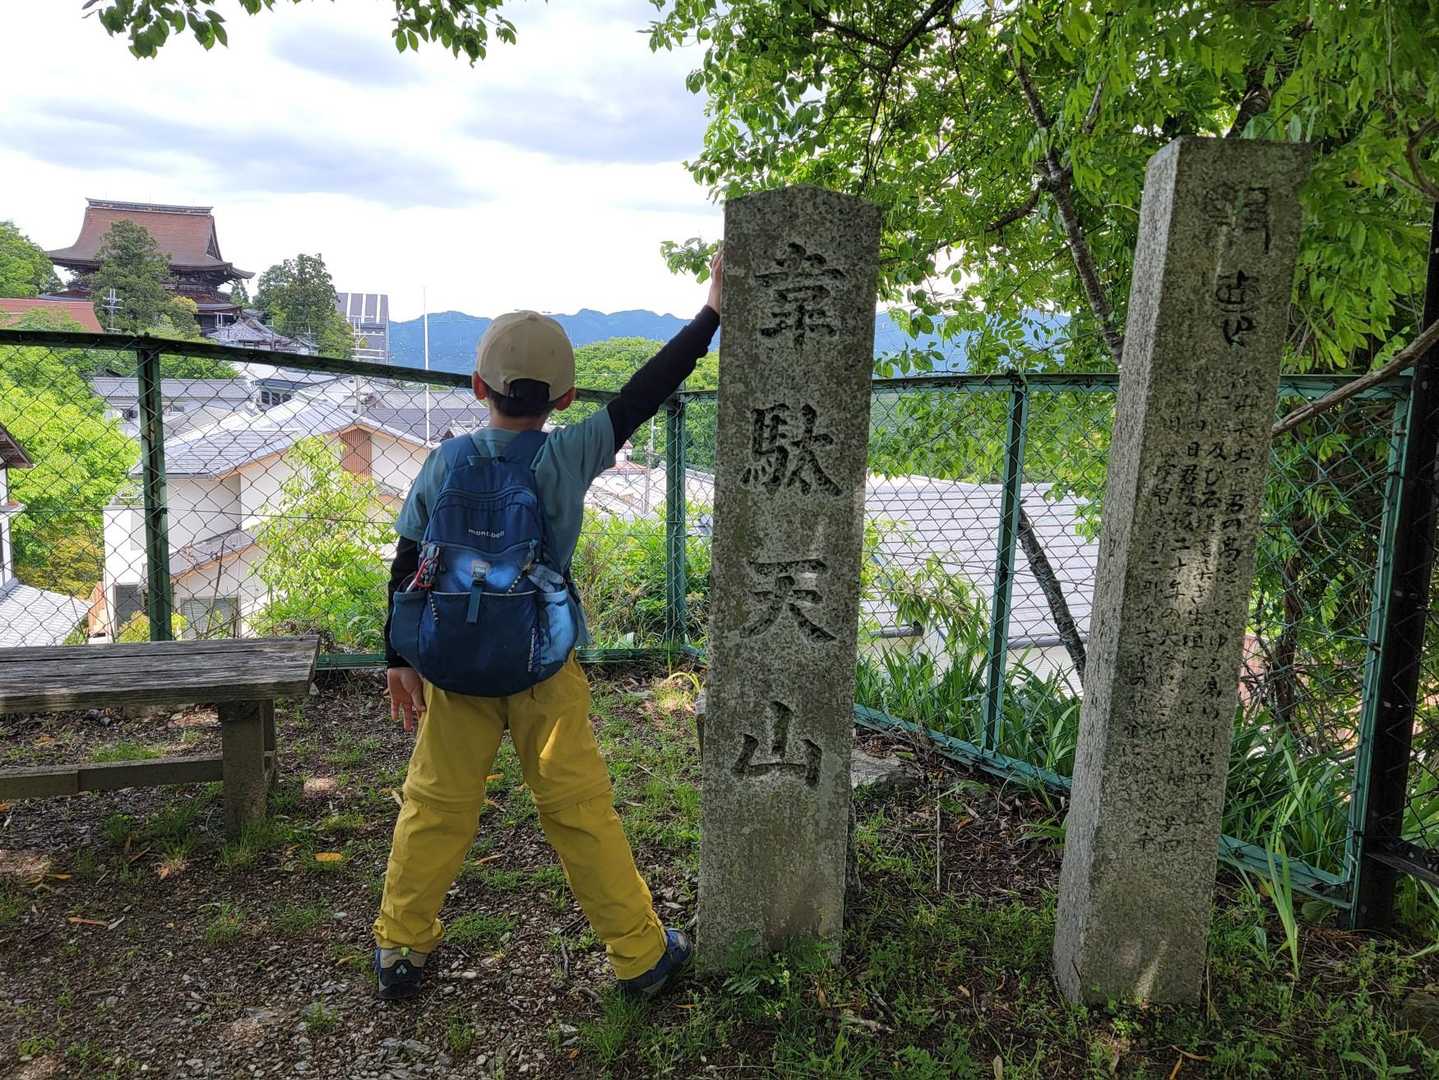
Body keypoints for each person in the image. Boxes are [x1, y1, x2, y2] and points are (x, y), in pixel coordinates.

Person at [372, 254, 723, 1001]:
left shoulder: (445, 461)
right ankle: (640, 954)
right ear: (563, 396)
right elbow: (645, 392)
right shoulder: (569, 453)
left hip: (454, 665)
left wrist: (397, 658)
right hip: (542, 664)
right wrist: (711, 314)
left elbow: (407, 564)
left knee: (434, 806)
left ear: (479, 387)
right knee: (578, 808)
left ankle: (401, 947)